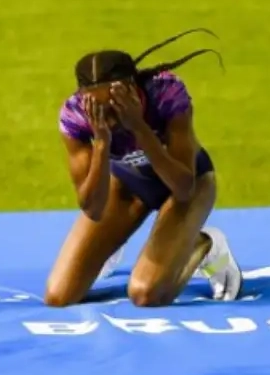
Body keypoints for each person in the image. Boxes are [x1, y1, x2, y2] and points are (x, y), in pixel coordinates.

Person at [44, 29, 243, 308]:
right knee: (59, 296)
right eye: (97, 107)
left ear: (130, 88)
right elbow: (94, 209)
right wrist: (101, 142)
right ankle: (113, 244)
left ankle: (202, 244)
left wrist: (138, 126)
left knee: (145, 294)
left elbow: (183, 188)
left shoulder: (166, 94)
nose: (107, 115)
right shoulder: (76, 116)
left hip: (188, 186)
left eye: (112, 104)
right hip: (127, 188)